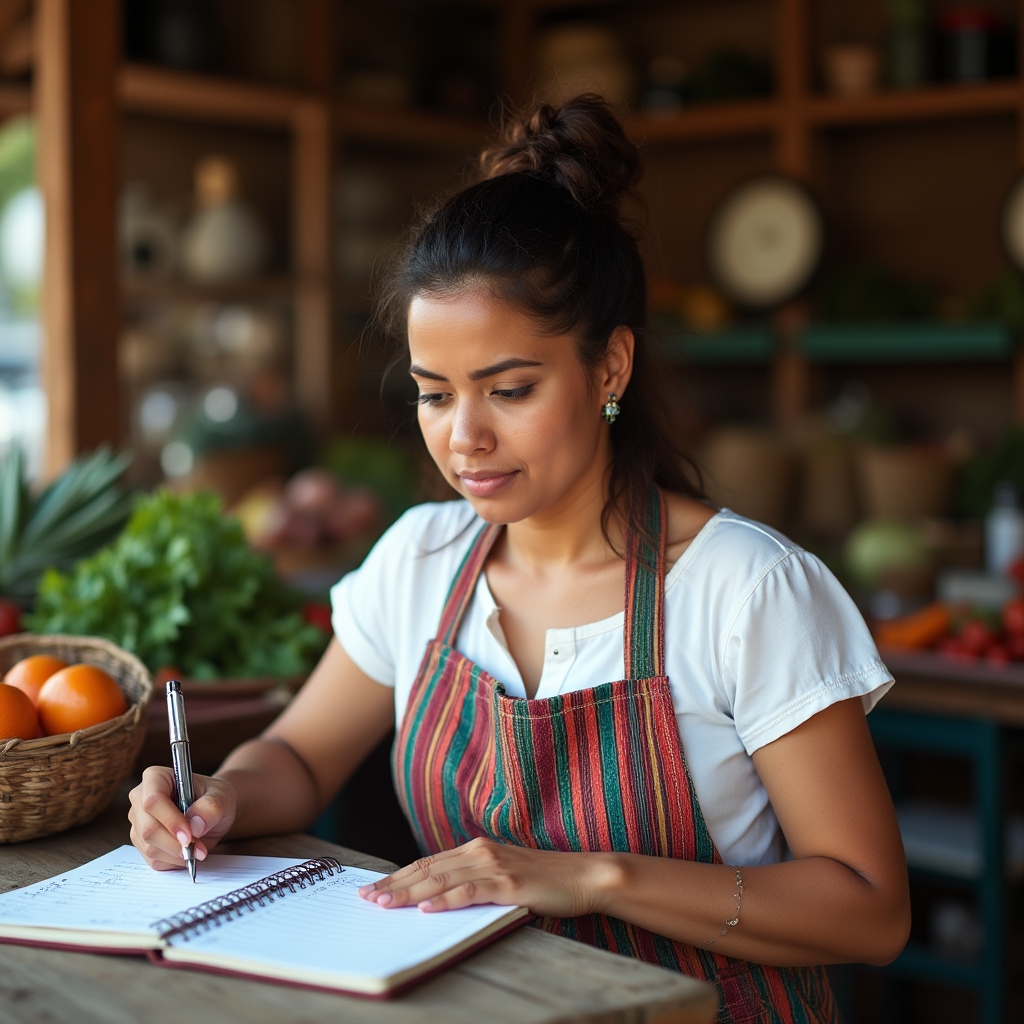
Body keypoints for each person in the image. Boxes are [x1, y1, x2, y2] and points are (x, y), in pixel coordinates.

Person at [130, 95, 910, 1023]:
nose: (465, 439)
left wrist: (593, 877)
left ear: (611, 368)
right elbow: (300, 753)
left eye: (510, 389)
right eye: (433, 395)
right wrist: (216, 798)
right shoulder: (422, 560)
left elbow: (869, 910)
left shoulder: (745, 591)